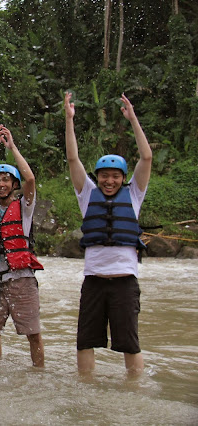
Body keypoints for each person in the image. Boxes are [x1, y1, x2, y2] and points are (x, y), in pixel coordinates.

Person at [64, 92, 152, 376]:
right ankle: (86, 391)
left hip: (125, 282)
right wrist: (69, 120)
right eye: (104, 175)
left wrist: (132, 118)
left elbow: (146, 157)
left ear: (123, 178)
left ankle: (134, 394)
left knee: (129, 343)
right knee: (85, 341)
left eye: (115, 176)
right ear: (97, 177)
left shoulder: (134, 194)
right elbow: (72, 157)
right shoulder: (87, 194)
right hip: (94, 281)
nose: (109, 180)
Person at [0, 125, 45, 367]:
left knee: (33, 334)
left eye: (6, 180)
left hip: (22, 279)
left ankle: (39, 373)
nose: (1, 184)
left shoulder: (25, 207)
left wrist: (12, 147)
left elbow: (31, 178)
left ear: (14, 184)